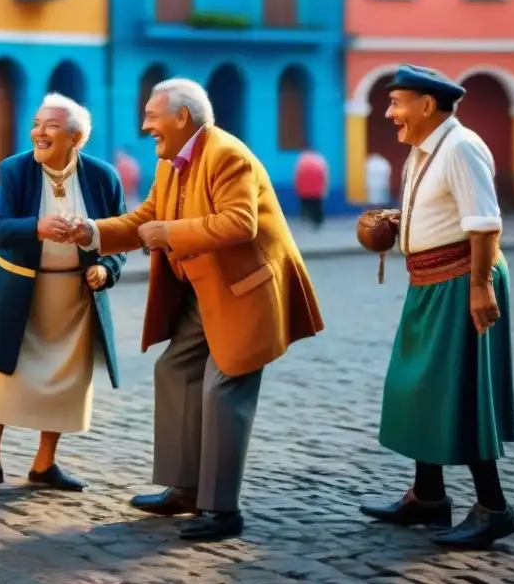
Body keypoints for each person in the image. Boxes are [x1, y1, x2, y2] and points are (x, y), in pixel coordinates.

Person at [69, 78, 324, 542]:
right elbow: (146, 218)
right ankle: (185, 489)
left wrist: (171, 234)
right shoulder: (171, 161)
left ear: (181, 117)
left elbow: (239, 223)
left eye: (152, 116)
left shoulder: (227, 154)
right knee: (175, 370)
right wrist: (88, 232)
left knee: (223, 390)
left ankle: (221, 510)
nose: (145, 126)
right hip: (200, 294)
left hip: (245, 293)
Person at [359, 64, 514, 549]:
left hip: (459, 281)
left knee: (461, 391)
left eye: (397, 103)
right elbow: (440, 211)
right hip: (428, 282)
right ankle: (428, 495)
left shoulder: (461, 147)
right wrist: (398, 222)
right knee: (421, 388)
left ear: (427, 105)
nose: (389, 114)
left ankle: (494, 508)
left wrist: (479, 288)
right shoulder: (421, 152)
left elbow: (485, 224)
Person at [0, 93, 127, 501]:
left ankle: (44, 462)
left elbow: (120, 236)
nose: (39, 132)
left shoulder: (104, 177)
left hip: (74, 297)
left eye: (51, 126)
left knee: (64, 383)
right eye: (36, 123)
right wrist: (38, 227)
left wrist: (107, 269)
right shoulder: (14, 170)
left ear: (76, 137)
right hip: (17, 291)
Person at [294, 149, 329, 229]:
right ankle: (317, 221)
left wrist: (298, 188)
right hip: (317, 190)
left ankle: (308, 218)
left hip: (304, 190)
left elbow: (297, 176)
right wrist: (324, 189)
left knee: (306, 206)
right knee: (317, 206)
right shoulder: (319, 161)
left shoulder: (302, 161)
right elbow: (325, 176)